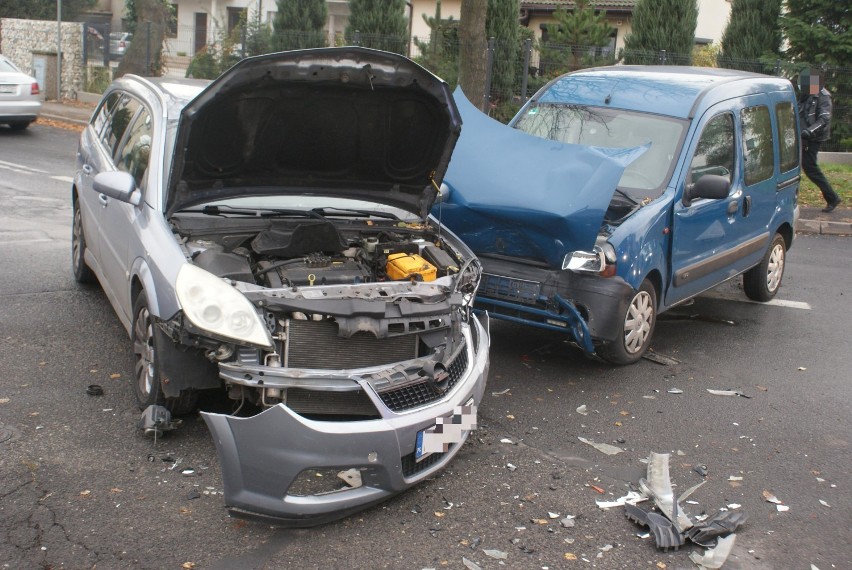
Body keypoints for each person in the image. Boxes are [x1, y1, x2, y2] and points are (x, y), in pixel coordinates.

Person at [799, 69, 841, 213]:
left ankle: (832, 197)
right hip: (802, 136)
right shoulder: (808, 95)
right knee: (798, 166)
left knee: (810, 168)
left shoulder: (823, 96)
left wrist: (809, 131)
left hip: (813, 138)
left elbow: (824, 119)